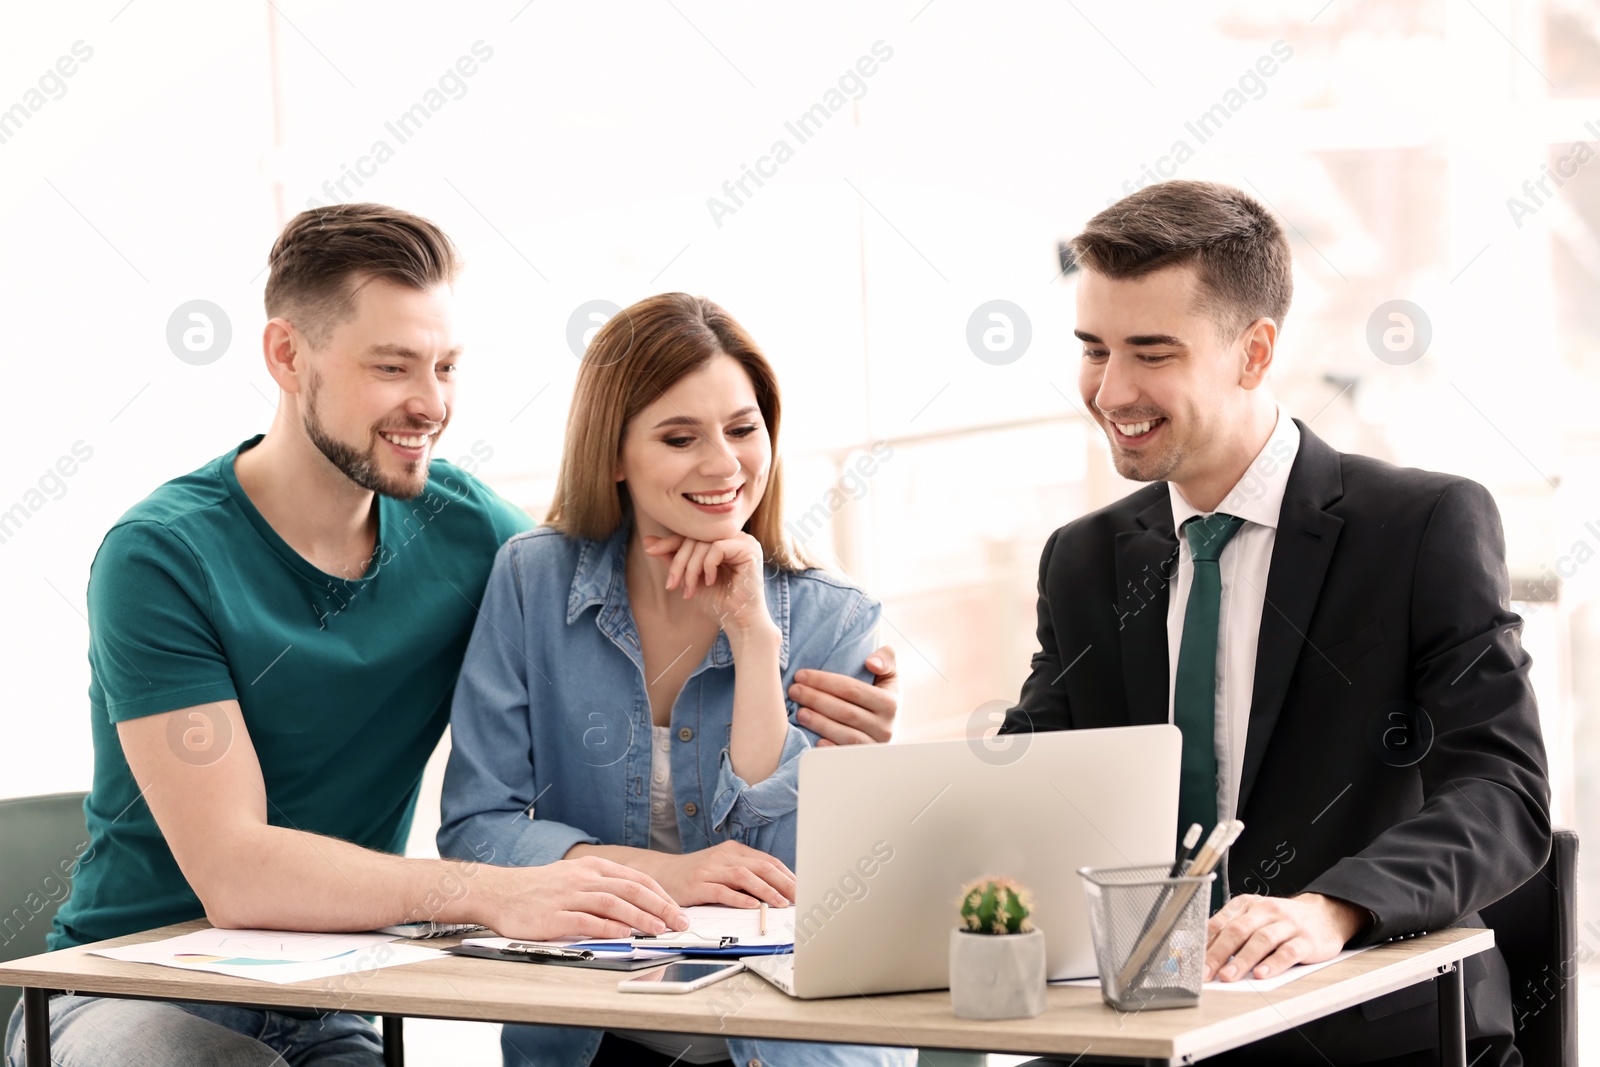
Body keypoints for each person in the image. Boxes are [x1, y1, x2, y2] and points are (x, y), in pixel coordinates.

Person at [6, 205, 901, 1067]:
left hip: (330, 1001)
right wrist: (508, 891)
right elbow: (236, 871)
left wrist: (819, 676)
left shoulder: (471, 533)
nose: (429, 403)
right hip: (131, 992)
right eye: (393, 367)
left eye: (446, 367)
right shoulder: (161, 557)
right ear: (287, 354)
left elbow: (596, 581)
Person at [1003, 181, 1549, 1066]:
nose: (1111, 389)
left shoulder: (1420, 526)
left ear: (1253, 353)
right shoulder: (1085, 559)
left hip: (1368, 1033)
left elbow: (1503, 795)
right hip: (1141, 1033)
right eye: (1093, 349)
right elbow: (1032, 787)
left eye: (1151, 352)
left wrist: (1332, 907)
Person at [438, 293, 913, 1067]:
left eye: (742, 428)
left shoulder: (836, 618)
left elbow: (780, 884)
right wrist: (671, 878)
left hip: (783, 1044)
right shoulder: (532, 581)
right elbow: (477, 827)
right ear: (614, 455)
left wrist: (756, 642)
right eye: (679, 436)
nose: (724, 464)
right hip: (592, 1039)